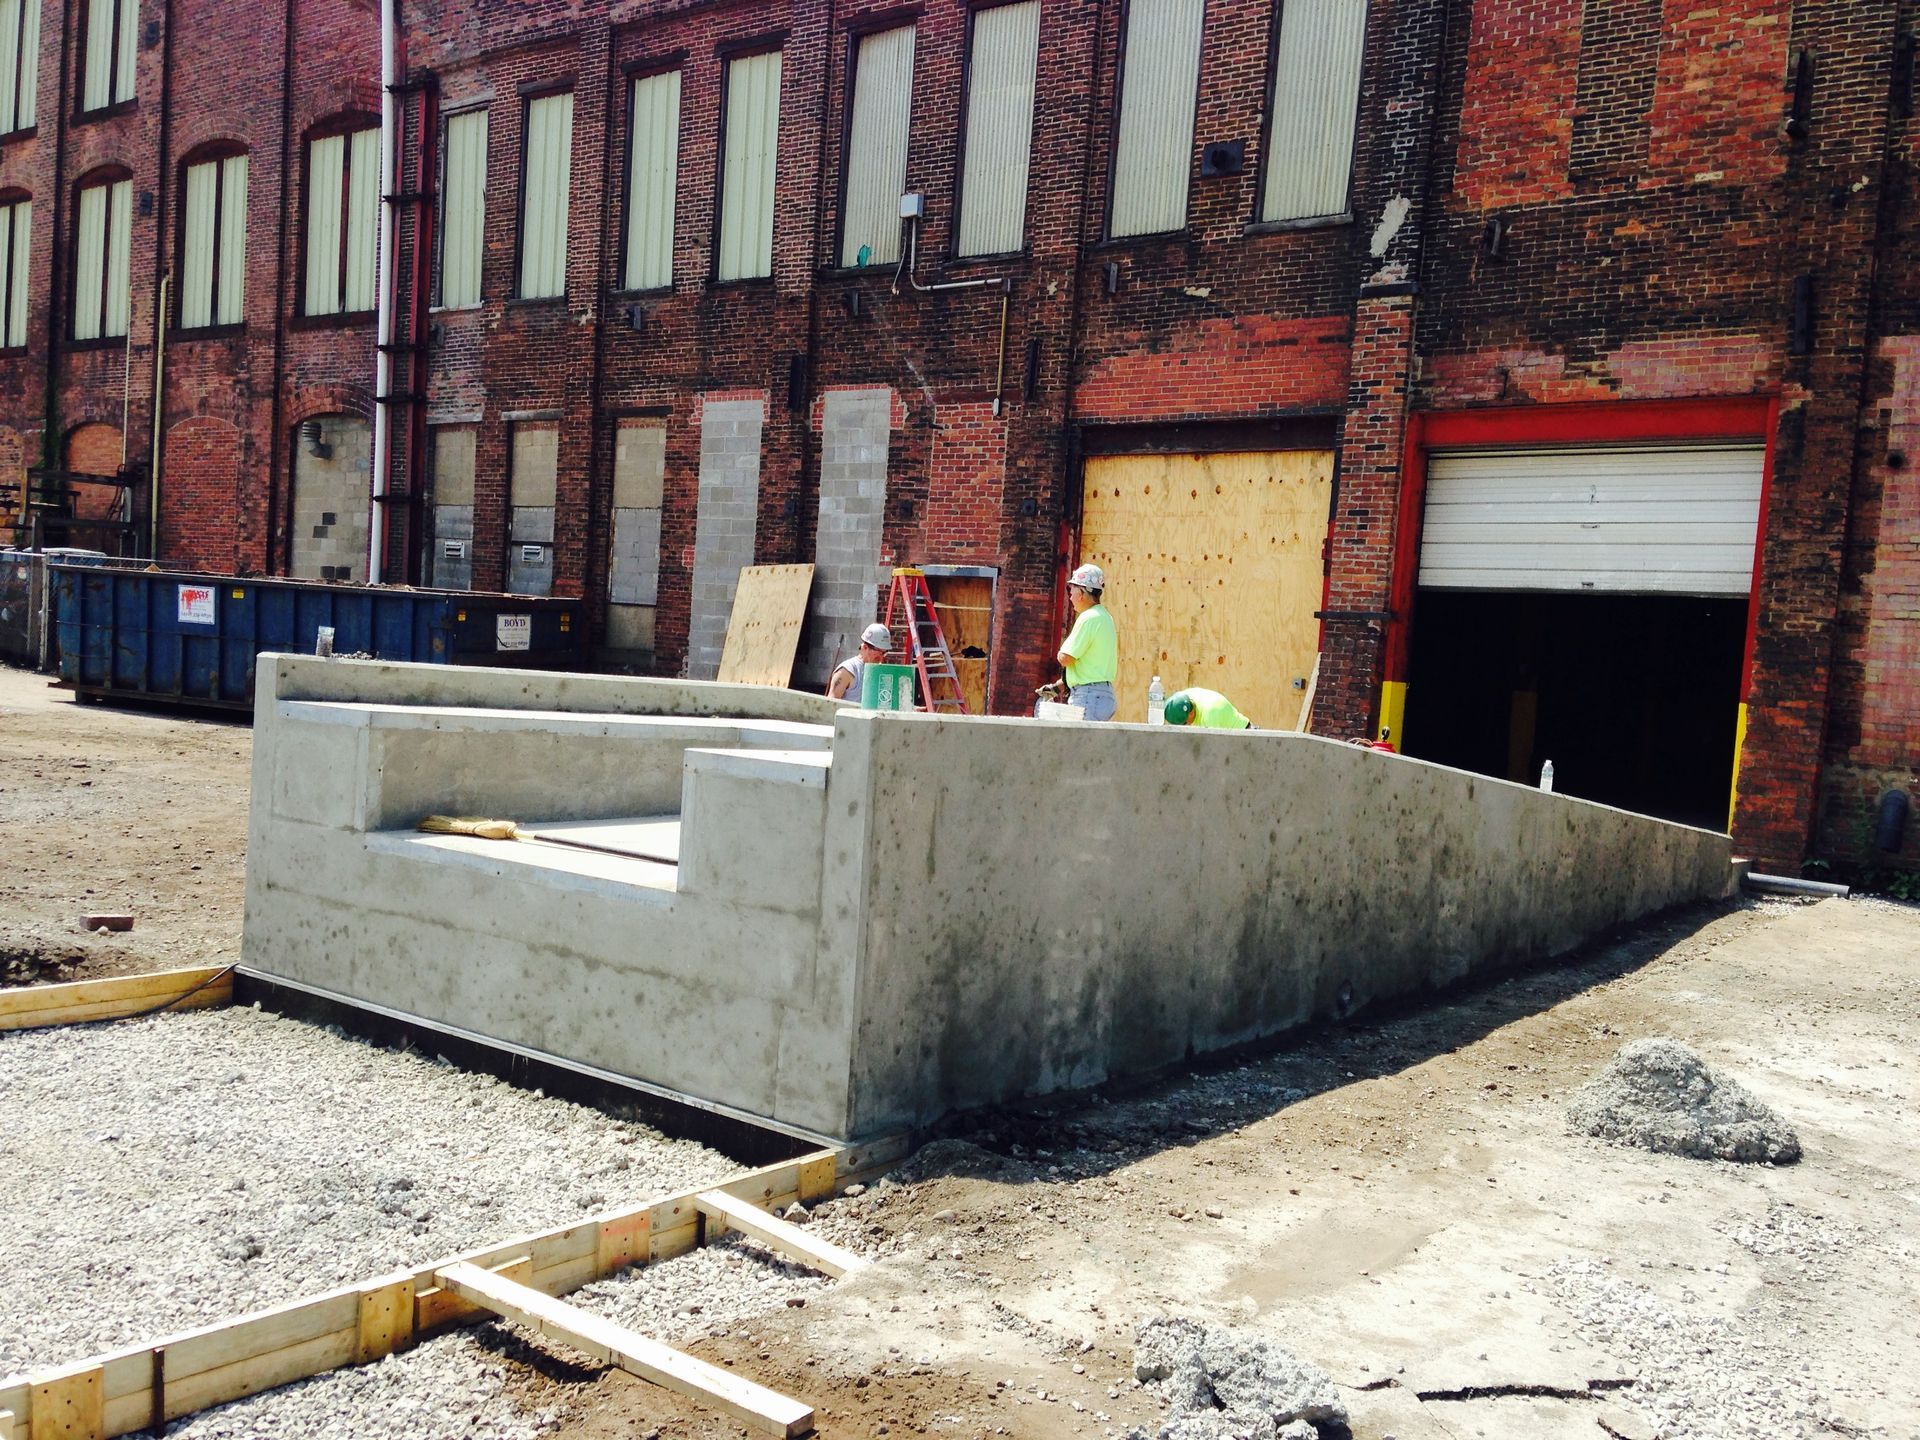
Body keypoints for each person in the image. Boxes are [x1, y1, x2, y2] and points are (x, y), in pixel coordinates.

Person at [1055, 563, 1118, 721]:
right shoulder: (1104, 617)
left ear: (1081, 592)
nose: (1070, 597)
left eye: (1072, 590)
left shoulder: (1088, 618)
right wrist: (1061, 685)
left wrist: (1061, 652)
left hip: (1088, 697)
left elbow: (1066, 658)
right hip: (1102, 696)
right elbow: (1091, 667)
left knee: (1079, 744)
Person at [827, 622, 892, 701]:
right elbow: (831, 704)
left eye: (884, 653)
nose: (881, 657)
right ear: (865, 647)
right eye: (878, 652)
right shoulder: (847, 671)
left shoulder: (880, 671)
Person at [1163, 687, 1254, 729]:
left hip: (1244, 739)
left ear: (1190, 713)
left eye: (1184, 724)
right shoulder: (1183, 697)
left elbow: (1213, 755)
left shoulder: (1210, 714)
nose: (1187, 726)